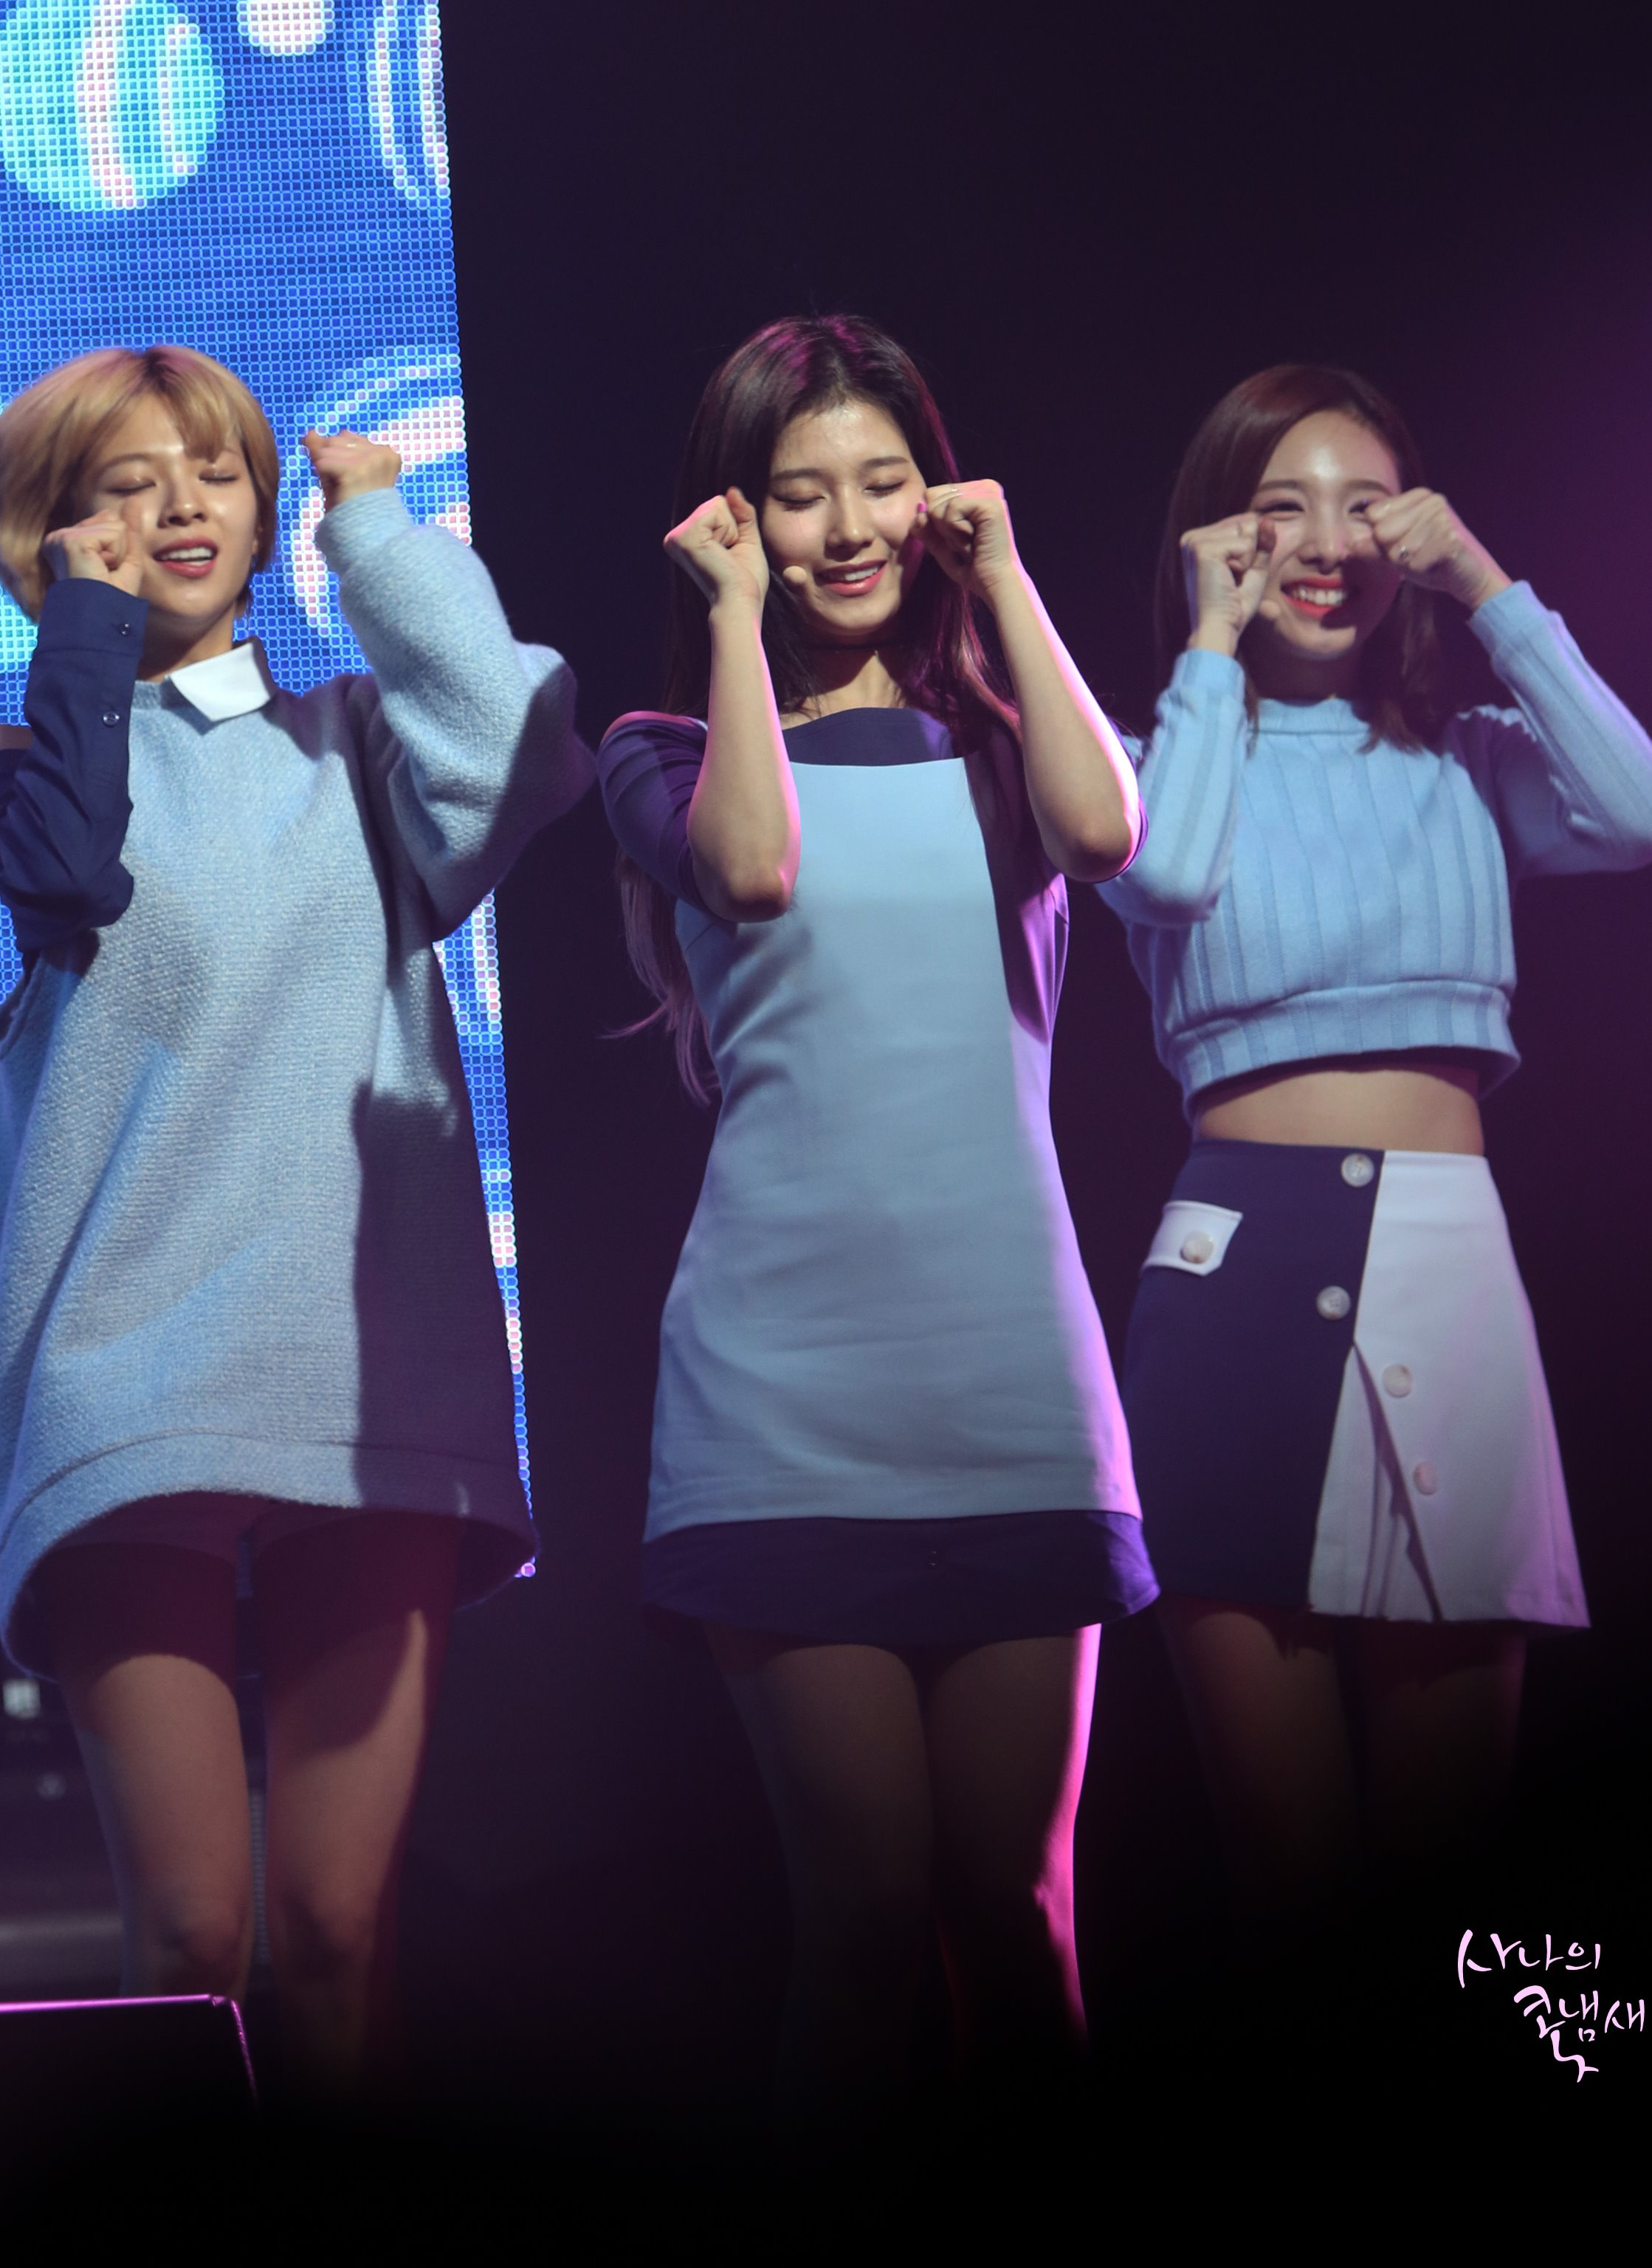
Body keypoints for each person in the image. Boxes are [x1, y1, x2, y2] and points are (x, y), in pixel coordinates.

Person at [0, 344, 592, 2091]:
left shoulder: (359, 743)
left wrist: (374, 529)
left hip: (362, 1363)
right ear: (52, 534)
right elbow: (73, 862)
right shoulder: (16, 759)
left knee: (333, 1928)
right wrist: (87, 630)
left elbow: (522, 747)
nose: (177, 505)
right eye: (123, 482)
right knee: (189, 1933)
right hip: (126, 1370)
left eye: (213, 470)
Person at [598, 313, 1152, 2140]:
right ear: (734, 516)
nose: (846, 527)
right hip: (786, 1396)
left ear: (937, 490)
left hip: (1009, 1380)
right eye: (796, 493)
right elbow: (754, 865)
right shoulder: (665, 747)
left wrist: (1009, 584)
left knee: (1018, 1915)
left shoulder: (1005, 735)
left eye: (882, 480)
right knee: (855, 1918)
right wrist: (733, 622)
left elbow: (1107, 830)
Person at [1098, 363, 1652, 1918]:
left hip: (1446, 1262)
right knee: (1292, 1887)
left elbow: (1640, 814)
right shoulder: (1155, 759)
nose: (1325, 542)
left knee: (1449, 1879)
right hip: (1234, 1281)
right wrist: (1207, 642)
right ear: (1216, 535)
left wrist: (1486, 585)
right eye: (1278, 507)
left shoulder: (1466, 756)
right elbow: (1164, 876)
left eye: (1364, 506)